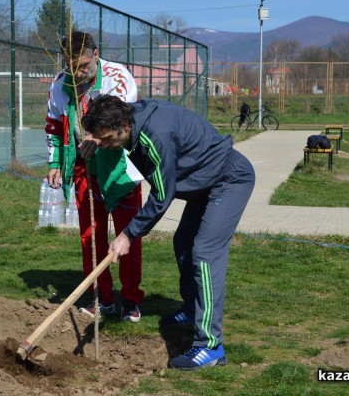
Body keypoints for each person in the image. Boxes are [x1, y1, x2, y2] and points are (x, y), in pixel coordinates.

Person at [80, 95, 255, 371]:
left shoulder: (155, 136)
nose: (105, 145)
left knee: (205, 253)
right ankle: (192, 309)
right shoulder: (131, 120)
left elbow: (163, 195)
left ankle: (210, 345)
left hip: (227, 179)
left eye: (107, 139)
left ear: (124, 124)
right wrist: (94, 138)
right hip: (204, 184)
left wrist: (127, 235)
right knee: (183, 242)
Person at [44, 31, 144, 322]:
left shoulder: (118, 76)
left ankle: (131, 298)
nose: (77, 72)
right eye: (71, 65)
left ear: (96, 55)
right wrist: (55, 162)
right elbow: (53, 124)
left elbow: (122, 122)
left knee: (128, 233)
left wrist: (96, 139)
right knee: (91, 234)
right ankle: (102, 296)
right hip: (84, 167)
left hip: (120, 166)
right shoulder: (60, 84)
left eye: (84, 65)